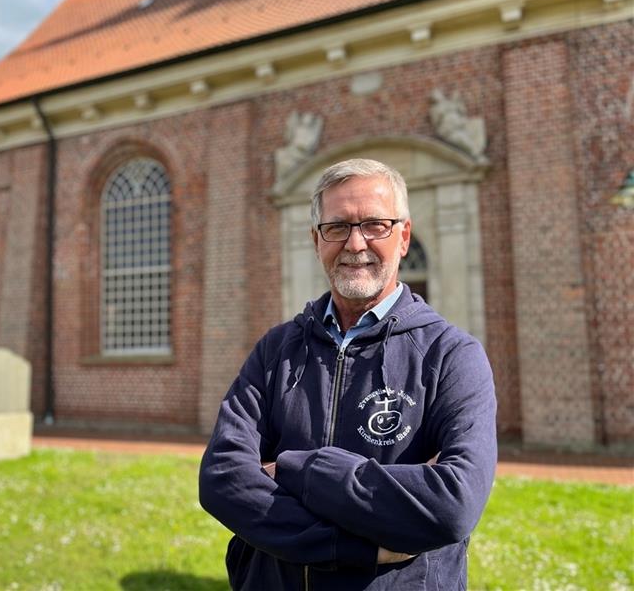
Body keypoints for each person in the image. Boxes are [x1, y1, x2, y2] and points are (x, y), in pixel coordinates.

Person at [199, 158, 496, 590]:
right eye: (337, 227)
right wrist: (356, 548)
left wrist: (296, 470)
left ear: (404, 236)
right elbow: (222, 479)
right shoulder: (276, 350)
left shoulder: (453, 356)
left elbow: (452, 503)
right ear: (316, 241)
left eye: (375, 225)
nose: (355, 243)